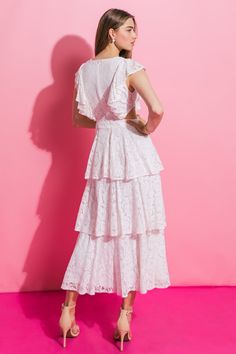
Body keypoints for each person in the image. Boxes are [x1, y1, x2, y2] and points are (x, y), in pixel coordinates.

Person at [58, 8, 171, 351]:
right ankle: (124, 317)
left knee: (93, 230)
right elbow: (159, 109)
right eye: (130, 29)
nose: (135, 36)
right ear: (112, 33)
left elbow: (80, 120)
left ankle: (67, 312)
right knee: (135, 229)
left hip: (103, 154)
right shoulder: (129, 68)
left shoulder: (84, 70)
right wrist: (141, 126)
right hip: (133, 156)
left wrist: (109, 122)